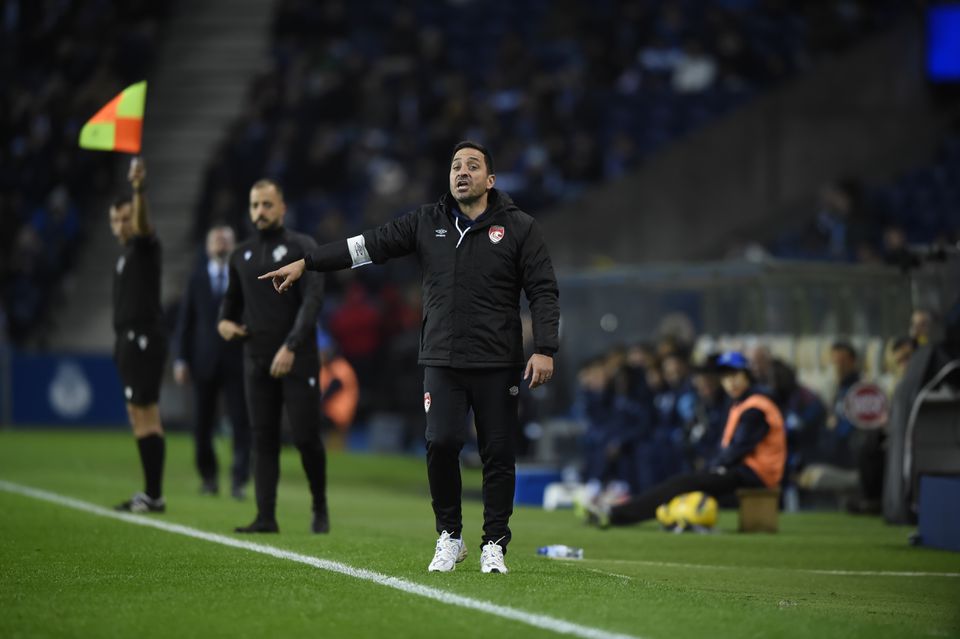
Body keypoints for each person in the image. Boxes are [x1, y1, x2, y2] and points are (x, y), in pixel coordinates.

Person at [259, 141, 560, 574]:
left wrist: (545, 348)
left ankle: (494, 541)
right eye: (456, 165)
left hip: (498, 360)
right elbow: (368, 246)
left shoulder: (520, 228)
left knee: (498, 452)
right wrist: (309, 262)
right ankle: (450, 536)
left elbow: (543, 290)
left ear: (490, 181)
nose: (462, 171)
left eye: (472, 166)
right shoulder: (426, 222)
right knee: (440, 443)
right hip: (441, 358)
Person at [218, 179, 329, 534]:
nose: (260, 212)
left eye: (267, 205)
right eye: (254, 206)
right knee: (262, 437)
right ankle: (266, 517)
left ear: (282, 207)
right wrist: (224, 324)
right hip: (256, 359)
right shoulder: (240, 255)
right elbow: (229, 307)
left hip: (298, 358)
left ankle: (319, 506)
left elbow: (312, 302)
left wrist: (291, 346)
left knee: (304, 437)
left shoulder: (302, 247)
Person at [584, 351, 786, 528]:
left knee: (681, 484)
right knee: (681, 483)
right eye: (725, 377)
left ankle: (616, 514)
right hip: (745, 471)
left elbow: (739, 448)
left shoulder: (756, 406)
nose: (730, 382)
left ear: (747, 376)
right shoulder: (743, 403)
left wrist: (712, 467)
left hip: (754, 475)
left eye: (735, 376)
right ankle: (619, 513)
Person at [172, 225, 251, 499]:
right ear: (207, 247)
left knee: (241, 422)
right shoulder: (196, 280)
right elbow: (186, 323)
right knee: (202, 424)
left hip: (237, 361)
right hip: (203, 362)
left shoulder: (244, 277)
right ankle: (208, 477)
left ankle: (239, 480)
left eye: (226, 238)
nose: (220, 242)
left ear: (235, 245)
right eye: (215, 238)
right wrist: (181, 359)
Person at [109, 157, 168, 513]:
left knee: (146, 413)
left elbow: (145, 225)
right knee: (138, 414)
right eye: (114, 219)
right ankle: (151, 493)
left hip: (143, 338)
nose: (120, 224)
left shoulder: (145, 246)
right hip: (127, 339)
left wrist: (139, 190)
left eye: (125, 217)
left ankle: (154, 494)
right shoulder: (126, 255)